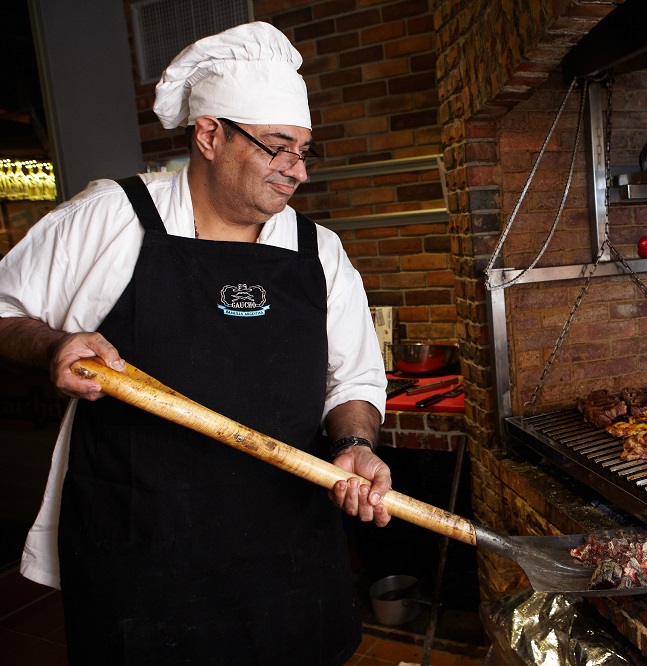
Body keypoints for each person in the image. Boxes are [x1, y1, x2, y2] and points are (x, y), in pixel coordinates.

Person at [0, 22, 391, 664]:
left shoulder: (317, 251)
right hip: (140, 554)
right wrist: (53, 346)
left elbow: (352, 380)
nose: (295, 171)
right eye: (277, 147)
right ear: (209, 134)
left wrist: (354, 443)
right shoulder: (113, 217)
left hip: (286, 557)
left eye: (303, 151)